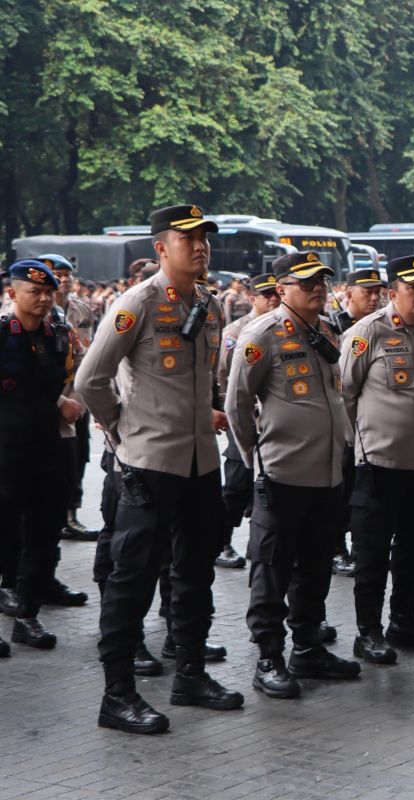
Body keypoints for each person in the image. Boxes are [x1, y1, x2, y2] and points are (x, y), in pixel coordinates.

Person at [75, 204, 243, 734]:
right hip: (149, 463)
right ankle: (117, 694)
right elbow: (89, 379)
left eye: (204, 238)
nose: (200, 246)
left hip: (199, 463)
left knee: (194, 572)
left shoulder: (209, 304)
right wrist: (122, 428)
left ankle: (190, 674)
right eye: (187, 238)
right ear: (161, 248)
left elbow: (206, 382)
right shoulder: (137, 303)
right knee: (133, 577)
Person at [226, 251, 359, 697]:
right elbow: (237, 404)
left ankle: (308, 648)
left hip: (327, 474)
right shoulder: (261, 334)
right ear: (281, 289)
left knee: (315, 566)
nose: (318, 288)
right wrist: (257, 459)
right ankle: (268, 657)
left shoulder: (326, 330)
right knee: (272, 568)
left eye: (322, 281)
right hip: (282, 475)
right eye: (307, 283)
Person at [340, 255, 414, 663]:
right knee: (372, 552)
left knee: (413, 548)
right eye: (413, 288)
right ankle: (368, 632)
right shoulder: (367, 332)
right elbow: (343, 395)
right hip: (379, 464)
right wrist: (358, 447)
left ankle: (404, 621)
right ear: (392, 293)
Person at [0, 260, 83, 656]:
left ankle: (27, 615)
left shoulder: (57, 335)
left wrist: (63, 401)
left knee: (45, 532)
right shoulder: (3, 334)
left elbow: (61, 380)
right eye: (35, 292)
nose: (45, 299)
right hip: (4, 451)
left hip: (46, 448)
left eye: (49, 292)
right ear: (12, 294)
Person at [215, 272, 281, 571]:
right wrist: (232, 410)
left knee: (266, 486)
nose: (273, 299)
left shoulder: (282, 327)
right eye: (266, 294)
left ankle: (259, 545)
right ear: (252, 298)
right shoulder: (236, 330)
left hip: (273, 418)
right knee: (236, 484)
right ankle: (221, 541)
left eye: (276, 293)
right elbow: (222, 375)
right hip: (243, 414)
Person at [39, 253, 100, 542]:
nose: (63, 281)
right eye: (57, 276)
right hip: (41, 402)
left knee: (77, 456)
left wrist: (77, 399)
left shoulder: (81, 310)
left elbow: (85, 357)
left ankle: (70, 514)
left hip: (76, 397)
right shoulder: (19, 314)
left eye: (67, 276)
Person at [332, 267, 387, 577]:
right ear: (349, 293)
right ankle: (335, 548)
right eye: (368, 292)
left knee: (363, 491)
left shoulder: (382, 326)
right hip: (343, 422)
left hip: (371, 426)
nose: (374, 297)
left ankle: (360, 547)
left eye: (378, 291)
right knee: (341, 490)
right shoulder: (331, 324)